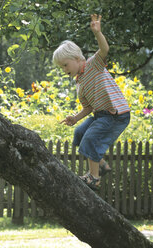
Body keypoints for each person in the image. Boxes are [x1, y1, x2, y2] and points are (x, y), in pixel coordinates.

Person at [52, 14, 130, 190]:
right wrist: (75, 118)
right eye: (61, 68)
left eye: (65, 65)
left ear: (78, 58)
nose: (64, 70)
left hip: (116, 114)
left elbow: (104, 49)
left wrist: (98, 33)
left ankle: (94, 178)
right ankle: (102, 165)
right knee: (80, 133)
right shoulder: (79, 83)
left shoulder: (93, 64)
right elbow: (88, 107)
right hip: (100, 114)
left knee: (90, 139)